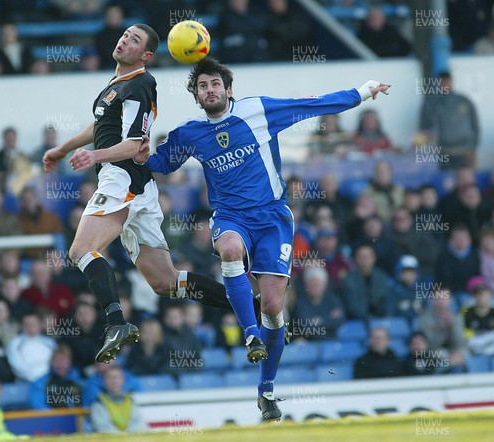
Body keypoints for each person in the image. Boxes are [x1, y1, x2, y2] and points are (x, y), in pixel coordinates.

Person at [136, 56, 390, 420]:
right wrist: (136, 153)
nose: (209, 90)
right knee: (229, 249)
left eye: (214, 84)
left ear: (228, 89)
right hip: (230, 217)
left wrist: (363, 93)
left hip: (272, 217)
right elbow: (161, 163)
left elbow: (311, 105)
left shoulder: (257, 110)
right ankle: (251, 333)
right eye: (202, 86)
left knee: (273, 306)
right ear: (196, 94)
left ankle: (266, 390)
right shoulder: (190, 132)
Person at [42, 25, 244, 364]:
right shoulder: (120, 85)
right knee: (165, 282)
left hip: (122, 179)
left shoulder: (139, 83)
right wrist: (63, 149)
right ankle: (249, 308)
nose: (124, 39)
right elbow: (101, 126)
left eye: (134, 40)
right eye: (124, 34)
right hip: (138, 186)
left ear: (146, 56)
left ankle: (116, 323)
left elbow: (134, 143)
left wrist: (94, 156)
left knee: (80, 250)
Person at [419, 72, 479, 169]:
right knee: (444, 180)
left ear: (451, 82)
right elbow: (423, 128)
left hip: (463, 150)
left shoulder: (463, 100)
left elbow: (475, 126)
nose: (445, 85)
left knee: (466, 178)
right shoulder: (431, 103)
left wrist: (473, 147)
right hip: (441, 152)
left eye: (447, 82)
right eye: (442, 82)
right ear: (438, 83)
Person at [90, 365, 144, 433]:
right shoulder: (98, 403)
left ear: (123, 380)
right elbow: (103, 429)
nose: (114, 381)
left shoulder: (130, 400)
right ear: (104, 381)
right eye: (110, 378)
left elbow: (137, 424)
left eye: (116, 377)